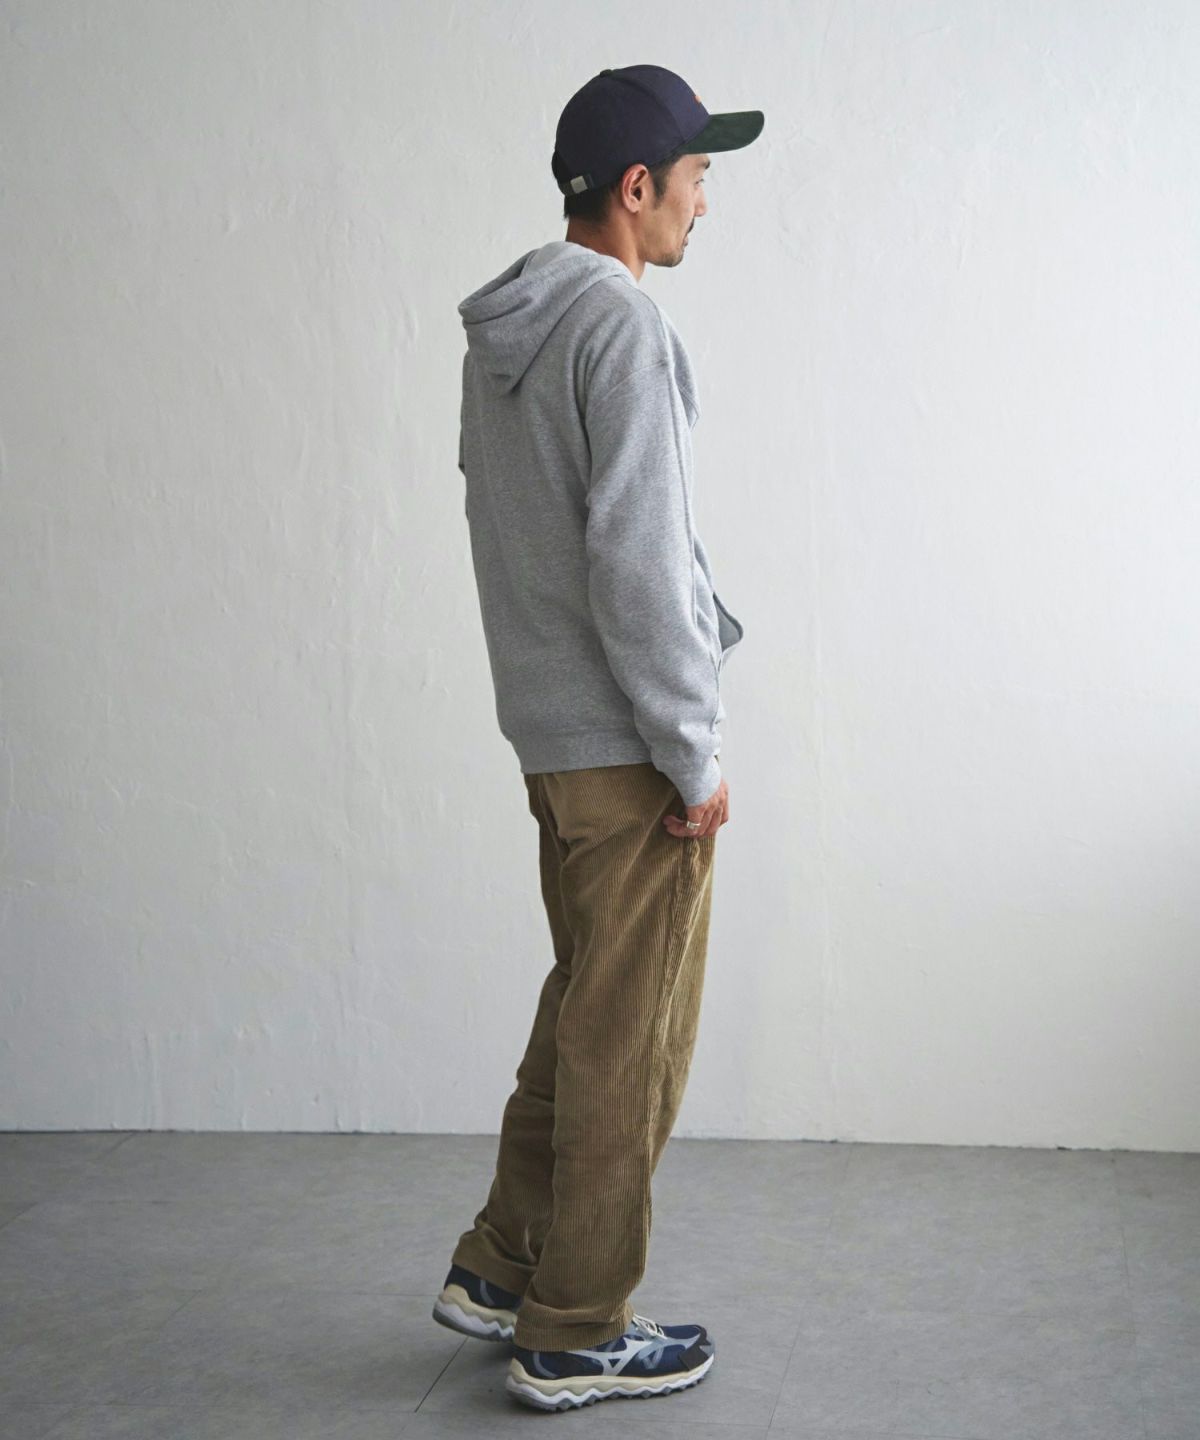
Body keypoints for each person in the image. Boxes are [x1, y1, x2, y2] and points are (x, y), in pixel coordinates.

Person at [432, 64, 764, 1412]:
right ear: (636, 188)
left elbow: (508, 533)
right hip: (628, 751)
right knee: (632, 1040)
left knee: (582, 1011)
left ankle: (502, 1266)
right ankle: (575, 1327)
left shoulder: (507, 332)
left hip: (551, 737)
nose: (703, 203)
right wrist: (694, 752)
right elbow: (639, 561)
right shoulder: (618, 327)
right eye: (695, 177)